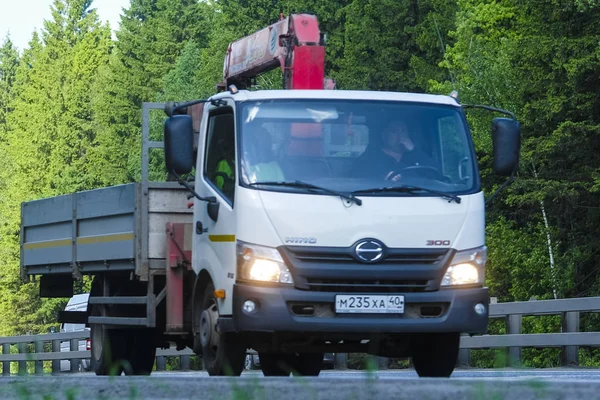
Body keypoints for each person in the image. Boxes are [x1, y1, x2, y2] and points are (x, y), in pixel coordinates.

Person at [355, 119, 432, 181]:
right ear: (384, 135)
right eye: (394, 131)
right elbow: (356, 182)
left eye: (403, 131)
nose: (400, 135)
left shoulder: (415, 157)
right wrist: (382, 180)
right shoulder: (369, 159)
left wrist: (413, 150)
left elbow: (435, 175)